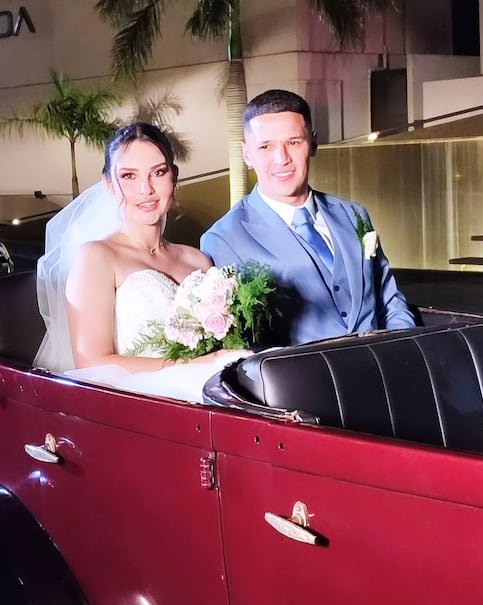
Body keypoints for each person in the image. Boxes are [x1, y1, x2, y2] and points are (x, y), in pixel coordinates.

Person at [33, 122, 246, 401]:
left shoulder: (197, 260)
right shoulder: (97, 257)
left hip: (207, 397)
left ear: (174, 177)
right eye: (129, 176)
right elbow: (92, 363)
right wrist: (195, 367)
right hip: (136, 403)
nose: (146, 189)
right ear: (109, 184)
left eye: (158, 172)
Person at [201, 89, 416, 346]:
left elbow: (389, 301)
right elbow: (243, 344)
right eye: (266, 146)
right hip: (300, 382)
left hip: (383, 369)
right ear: (247, 154)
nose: (282, 159)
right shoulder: (223, 239)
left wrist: (404, 353)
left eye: (293, 142)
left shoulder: (353, 214)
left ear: (313, 143)